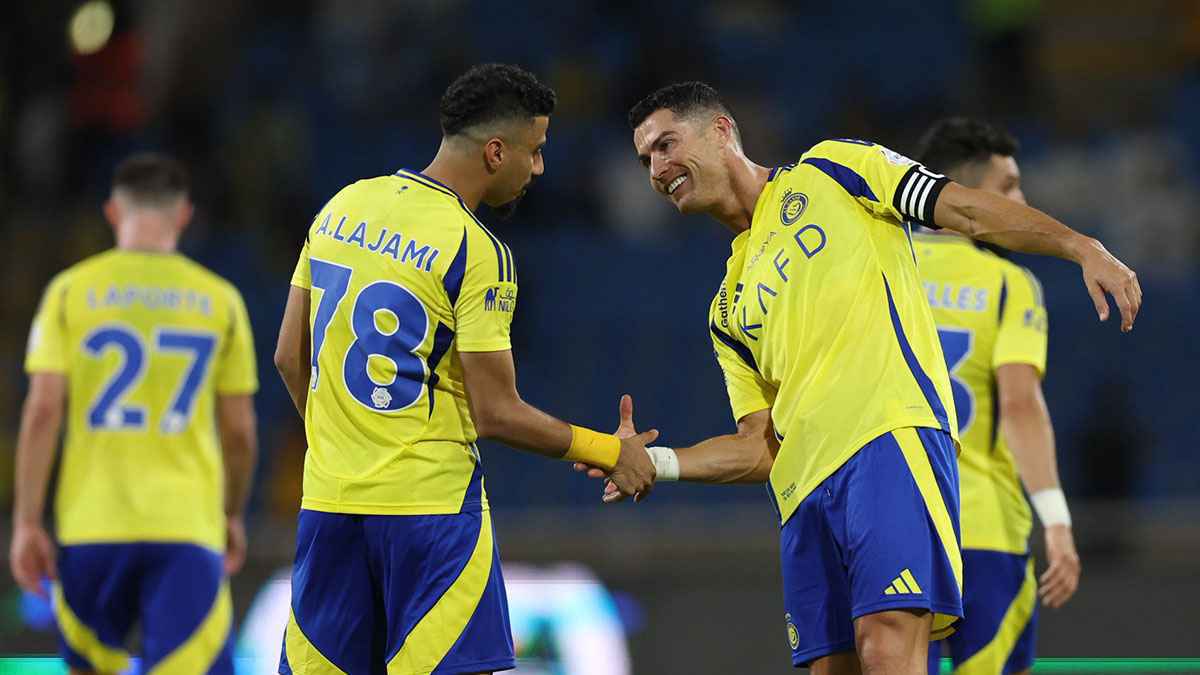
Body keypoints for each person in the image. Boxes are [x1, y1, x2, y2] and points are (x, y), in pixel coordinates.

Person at [588, 82, 1138, 674]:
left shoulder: (834, 169)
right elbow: (758, 447)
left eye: (666, 144)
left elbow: (967, 208)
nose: (657, 168)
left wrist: (1079, 246)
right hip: (803, 499)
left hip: (888, 445)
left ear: (721, 131)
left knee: (887, 646)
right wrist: (660, 463)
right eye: (645, 158)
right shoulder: (726, 307)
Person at [272, 63, 657, 675]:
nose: (538, 169)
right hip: (431, 518)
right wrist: (608, 450)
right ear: (496, 151)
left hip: (329, 510)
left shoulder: (342, 206)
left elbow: (288, 357)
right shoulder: (478, 250)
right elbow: (496, 412)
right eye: (534, 152)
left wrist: (344, 447)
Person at [10, 153, 260, 673]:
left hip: (90, 526)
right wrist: (232, 512)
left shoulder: (69, 292)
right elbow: (239, 431)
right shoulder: (221, 301)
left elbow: (42, 413)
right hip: (187, 527)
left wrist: (27, 522)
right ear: (184, 214)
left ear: (112, 212)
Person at [913, 118, 1080, 675]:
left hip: (894, 527)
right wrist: (1056, 521)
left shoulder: (878, 271)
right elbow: (1019, 408)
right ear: (969, 198)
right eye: (1008, 188)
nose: (1022, 200)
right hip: (982, 528)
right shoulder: (1007, 285)